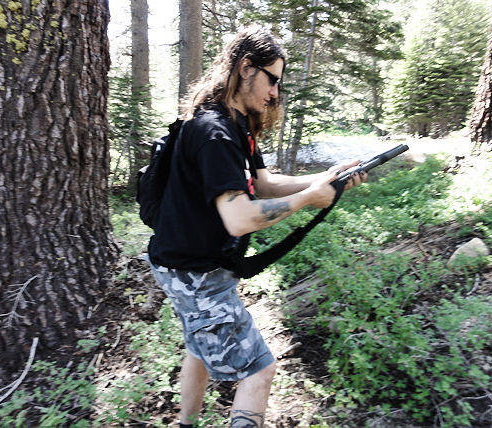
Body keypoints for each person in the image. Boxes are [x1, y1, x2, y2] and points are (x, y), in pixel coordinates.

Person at [147, 26, 366, 428]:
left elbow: (262, 184)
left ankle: (184, 423)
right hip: (196, 275)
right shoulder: (215, 133)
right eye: (272, 80)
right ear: (246, 68)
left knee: (199, 349)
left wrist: (325, 179)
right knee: (259, 371)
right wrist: (309, 199)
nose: (275, 93)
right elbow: (239, 218)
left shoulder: (236, 124)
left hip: (182, 265)